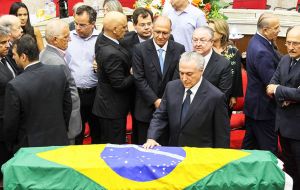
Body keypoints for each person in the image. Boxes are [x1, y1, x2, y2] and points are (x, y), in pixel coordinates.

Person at [143, 51, 230, 149]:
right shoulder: (171, 87)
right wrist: (151, 137)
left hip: (200, 155)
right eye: (181, 73)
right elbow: (160, 116)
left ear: (201, 70)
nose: (184, 78)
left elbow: (221, 135)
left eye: (189, 74)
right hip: (175, 151)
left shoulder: (216, 96)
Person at [3, 34, 72, 154]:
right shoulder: (58, 73)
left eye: (14, 55)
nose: (13, 58)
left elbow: (11, 125)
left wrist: (11, 146)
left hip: (30, 149)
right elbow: (67, 106)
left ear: (23, 57)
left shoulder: (15, 85)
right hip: (59, 140)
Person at [132, 16, 185, 145]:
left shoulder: (179, 49)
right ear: (152, 29)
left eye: (165, 33)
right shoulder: (140, 49)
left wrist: (165, 100)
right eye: (157, 32)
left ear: (170, 31)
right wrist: (155, 100)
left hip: (170, 108)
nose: (161, 36)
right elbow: (139, 78)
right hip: (145, 108)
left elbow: (178, 77)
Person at [242, 13, 281, 155]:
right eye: (276, 28)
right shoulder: (262, 51)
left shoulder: (256, 40)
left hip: (254, 107)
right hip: (263, 109)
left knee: (249, 148)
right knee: (268, 150)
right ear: (265, 30)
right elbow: (271, 83)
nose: (279, 30)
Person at [267, 25, 300, 190]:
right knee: (289, 168)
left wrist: (280, 90)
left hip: (298, 129)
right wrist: (287, 95)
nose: (291, 47)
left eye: (296, 43)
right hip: (283, 125)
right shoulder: (285, 59)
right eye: (288, 43)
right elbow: (271, 85)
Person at [93, 11, 134, 144]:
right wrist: (134, 74)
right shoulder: (111, 53)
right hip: (112, 110)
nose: (126, 29)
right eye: (123, 27)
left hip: (107, 106)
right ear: (115, 30)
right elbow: (119, 84)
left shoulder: (102, 39)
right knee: (115, 145)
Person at [40, 20, 82, 144]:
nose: (69, 39)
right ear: (54, 40)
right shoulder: (56, 62)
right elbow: (67, 96)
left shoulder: (44, 53)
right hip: (66, 124)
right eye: (66, 37)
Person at [65, 5, 101, 144]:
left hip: (96, 94)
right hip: (75, 94)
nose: (78, 28)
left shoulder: (101, 39)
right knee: (76, 135)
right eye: (76, 23)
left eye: (82, 25)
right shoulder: (68, 38)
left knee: (97, 132)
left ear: (92, 24)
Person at [208, 19, 243, 113]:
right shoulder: (205, 49)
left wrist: (234, 96)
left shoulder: (233, 51)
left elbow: (236, 75)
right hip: (207, 94)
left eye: (212, 31)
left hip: (226, 95)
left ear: (222, 33)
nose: (209, 33)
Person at [192, 26, 232, 100]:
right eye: (195, 40)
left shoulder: (223, 64)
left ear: (211, 42)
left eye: (202, 40)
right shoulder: (185, 60)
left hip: (211, 107)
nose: (198, 44)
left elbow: (223, 94)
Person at [0, 25, 16, 179]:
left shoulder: (7, 58)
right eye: (2, 43)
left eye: (8, 42)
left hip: (10, 120)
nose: (7, 46)